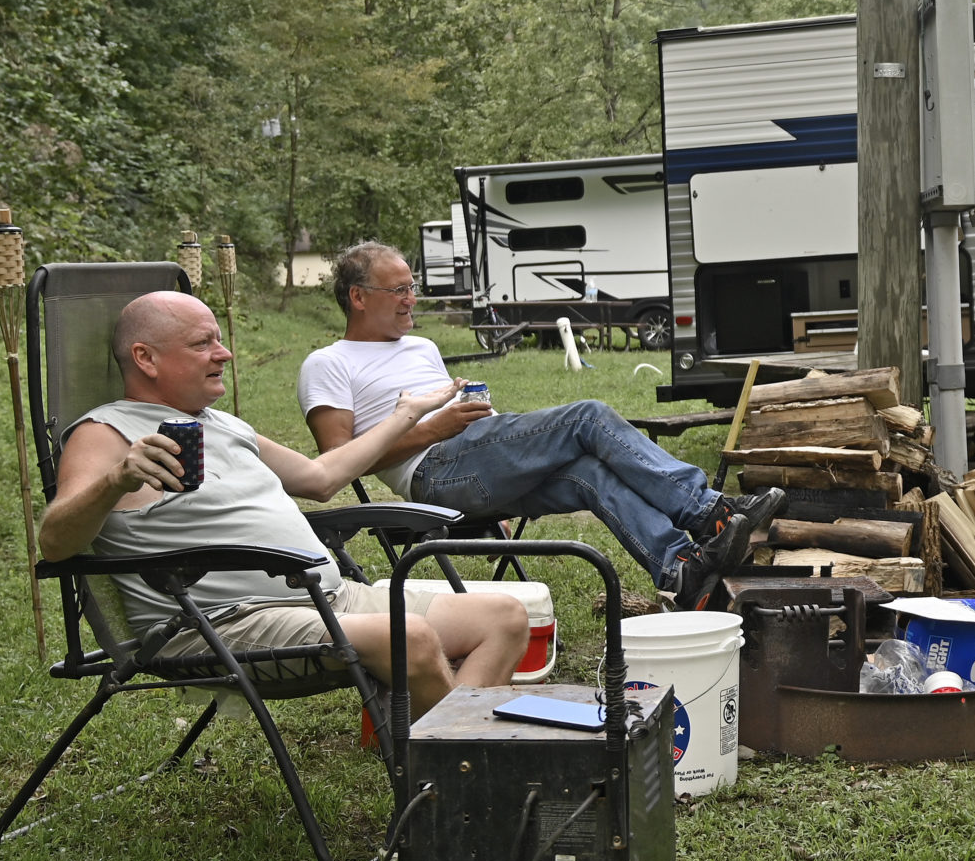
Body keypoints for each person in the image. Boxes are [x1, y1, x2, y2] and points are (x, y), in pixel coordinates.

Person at [39, 291, 528, 720]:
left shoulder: (223, 424)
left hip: (327, 600)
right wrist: (115, 480)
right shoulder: (105, 433)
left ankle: (434, 747)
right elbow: (56, 544)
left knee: (503, 618)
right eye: (202, 343)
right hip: (222, 623)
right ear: (145, 357)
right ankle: (464, 771)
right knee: (411, 636)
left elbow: (321, 478)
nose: (224, 352)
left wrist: (405, 416)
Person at [298, 242, 780, 607]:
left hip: (482, 462)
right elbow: (337, 464)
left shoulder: (421, 348)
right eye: (398, 290)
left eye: (411, 287)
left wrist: (479, 432)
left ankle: (680, 569)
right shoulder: (329, 363)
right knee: (587, 416)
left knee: (589, 473)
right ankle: (708, 513)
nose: (411, 299)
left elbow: (466, 424)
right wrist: (435, 429)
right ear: (359, 297)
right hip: (435, 474)